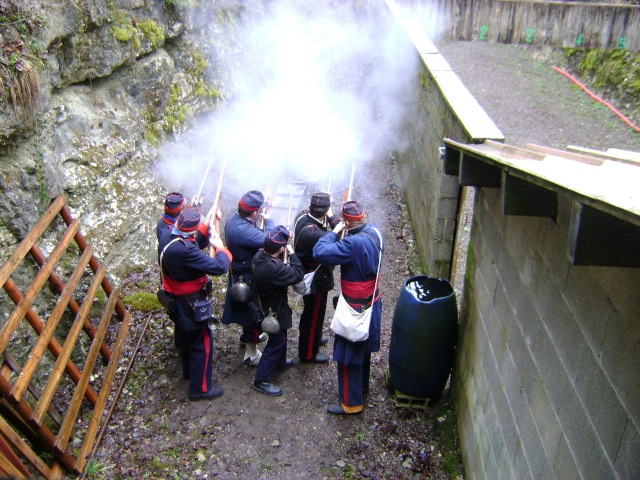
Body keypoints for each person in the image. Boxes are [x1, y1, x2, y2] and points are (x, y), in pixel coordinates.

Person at [312, 200, 384, 415]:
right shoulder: (375, 231)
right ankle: (361, 386)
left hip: (355, 307)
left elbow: (320, 252)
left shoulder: (353, 244)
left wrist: (334, 232)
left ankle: (351, 403)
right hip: (373, 301)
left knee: (347, 355)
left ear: (347, 223)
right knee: (363, 350)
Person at [158, 206, 232, 401]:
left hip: (177, 302)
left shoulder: (168, 235)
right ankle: (201, 388)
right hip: (190, 304)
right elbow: (219, 267)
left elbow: (194, 240)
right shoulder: (185, 250)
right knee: (202, 344)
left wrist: (208, 222)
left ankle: (189, 372)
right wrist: (221, 247)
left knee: (187, 338)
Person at [251, 225, 305, 396]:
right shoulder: (274, 268)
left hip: (271, 302)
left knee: (281, 337)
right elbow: (298, 273)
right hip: (272, 309)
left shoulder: (259, 255)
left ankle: (279, 361)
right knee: (276, 342)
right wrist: (292, 251)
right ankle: (261, 380)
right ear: (280, 248)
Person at [221, 190, 273, 366]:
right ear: (254, 212)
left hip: (240, 271)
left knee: (247, 313)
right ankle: (251, 353)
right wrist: (270, 218)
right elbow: (270, 239)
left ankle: (247, 338)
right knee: (253, 315)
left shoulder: (235, 219)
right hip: (246, 276)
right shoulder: (243, 230)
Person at [293, 192, 342, 363]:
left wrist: (325, 210)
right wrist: (332, 215)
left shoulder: (302, 216)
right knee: (313, 316)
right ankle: (308, 353)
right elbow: (339, 235)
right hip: (316, 277)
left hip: (310, 270)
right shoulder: (315, 234)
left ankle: (315, 337)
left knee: (315, 313)